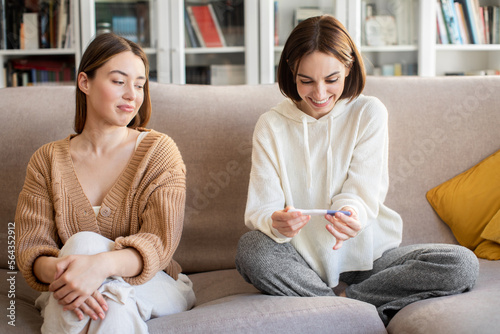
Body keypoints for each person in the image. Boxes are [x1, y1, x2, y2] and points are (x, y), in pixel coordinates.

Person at [235, 15, 479, 326]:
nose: (319, 94)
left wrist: (350, 214)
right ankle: (351, 310)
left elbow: (362, 191)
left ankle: (342, 306)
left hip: (370, 258)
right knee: (251, 249)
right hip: (301, 261)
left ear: (349, 69)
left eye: (331, 79)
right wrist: (276, 223)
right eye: (306, 80)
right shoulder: (271, 125)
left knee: (461, 264)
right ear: (290, 73)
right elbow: (262, 207)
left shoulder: (369, 113)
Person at [15, 33, 195, 334]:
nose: (132, 95)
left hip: (154, 283)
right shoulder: (46, 160)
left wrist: (98, 267)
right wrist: (67, 273)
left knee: (84, 247)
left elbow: (159, 242)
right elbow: (31, 249)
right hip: (67, 284)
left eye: (139, 85)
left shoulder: (159, 152)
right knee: (110, 302)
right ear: (85, 82)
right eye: (118, 81)